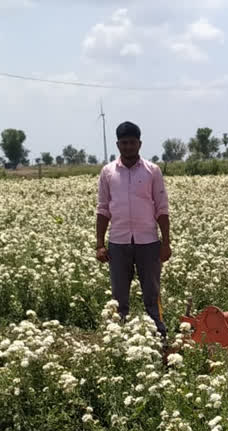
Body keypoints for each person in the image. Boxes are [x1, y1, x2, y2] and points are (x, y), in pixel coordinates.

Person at [95, 121, 171, 342]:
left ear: (140, 143)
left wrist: (166, 243)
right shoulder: (108, 172)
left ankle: (159, 338)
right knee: (119, 297)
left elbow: (162, 209)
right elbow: (103, 209)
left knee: (152, 294)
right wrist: (100, 244)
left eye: (132, 142)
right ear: (118, 144)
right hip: (118, 243)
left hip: (148, 242)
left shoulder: (152, 171)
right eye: (124, 143)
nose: (128, 147)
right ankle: (120, 340)